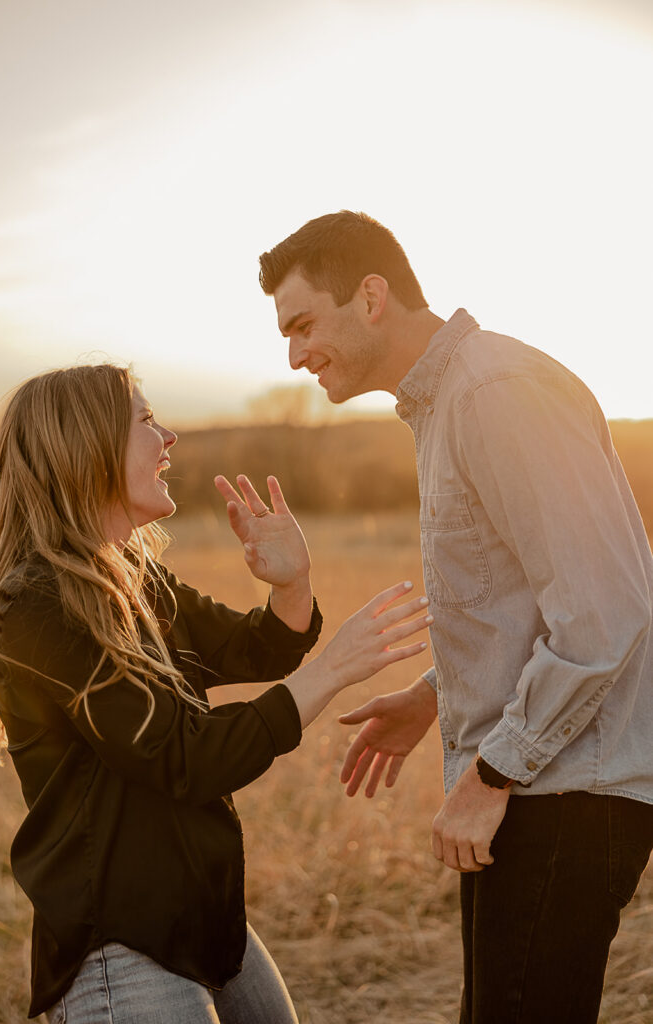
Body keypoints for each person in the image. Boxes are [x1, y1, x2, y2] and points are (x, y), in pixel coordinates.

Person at [258, 210, 653, 1024]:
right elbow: (534, 601)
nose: (293, 355)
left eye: (302, 324)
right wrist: (435, 693)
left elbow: (606, 610)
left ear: (371, 297)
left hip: (565, 792)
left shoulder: (496, 392)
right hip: (537, 787)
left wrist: (491, 772)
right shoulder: (446, 403)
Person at [0, 363, 433, 1023]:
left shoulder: (133, 576)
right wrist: (332, 670)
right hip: (118, 945)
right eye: (146, 420)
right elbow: (185, 757)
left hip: (205, 917)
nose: (170, 436)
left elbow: (253, 648)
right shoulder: (36, 604)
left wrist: (291, 586)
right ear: (88, 445)